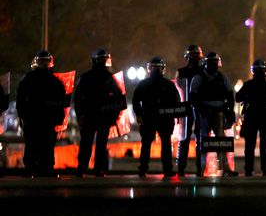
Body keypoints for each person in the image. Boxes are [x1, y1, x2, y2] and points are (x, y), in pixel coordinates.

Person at [73, 49, 126, 177]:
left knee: (86, 143)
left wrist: (80, 115)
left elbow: (77, 98)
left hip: (88, 115)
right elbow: (119, 97)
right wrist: (113, 115)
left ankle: (82, 169)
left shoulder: (85, 77)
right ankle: (98, 170)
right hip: (104, 116)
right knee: (101, 145)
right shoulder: (109, 78)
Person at [16, 50, 68, 177]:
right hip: (35, 117)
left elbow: (61, 102)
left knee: (45, 145)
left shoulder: (30, 78)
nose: (44, 64)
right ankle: (35, 168)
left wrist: (22, 114)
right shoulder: (53, 80)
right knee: (35, 145)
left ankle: (41, 168)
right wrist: (22, 114)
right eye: (42, 61)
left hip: (42, 118)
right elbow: (21, 98)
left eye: (46, 61)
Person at [190, 52, 238, 177]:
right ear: (206, 64)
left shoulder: (222, 77)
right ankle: (200, 169)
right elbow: (193, 99)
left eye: (215, 63)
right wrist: (199, 112)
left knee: (221, 141)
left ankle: (225, 168)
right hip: (204, 114)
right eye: (212, 63)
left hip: (218, 113)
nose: (214, 66)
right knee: (203, 142)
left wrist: (230, 111)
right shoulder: (198, 78)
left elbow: (229, 95)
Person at [132, 57, 181, 179]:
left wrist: (139, 114)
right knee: (165, 144)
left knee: (146, 144)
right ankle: (167, 169)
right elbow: (177, 101)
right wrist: (175, 114)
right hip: (165, 118)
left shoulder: (143, 84)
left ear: (149, 69)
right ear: (162, 69)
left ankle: (143, 169)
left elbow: (135, 101)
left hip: (148, 117)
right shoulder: (168, 84)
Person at [236, 59, 266, 176]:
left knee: (250, 145)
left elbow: (238, 97)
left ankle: (248, 170)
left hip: (251, 116)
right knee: (265, 145)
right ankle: (265, 169)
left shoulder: (249, 84)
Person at [175, 45, 203, 177]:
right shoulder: (203, 71)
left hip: (190, 107)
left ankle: (183, 168)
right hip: (192, 108)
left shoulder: (181, 72)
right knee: (190, 138)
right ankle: (198, 168)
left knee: (187, 139)